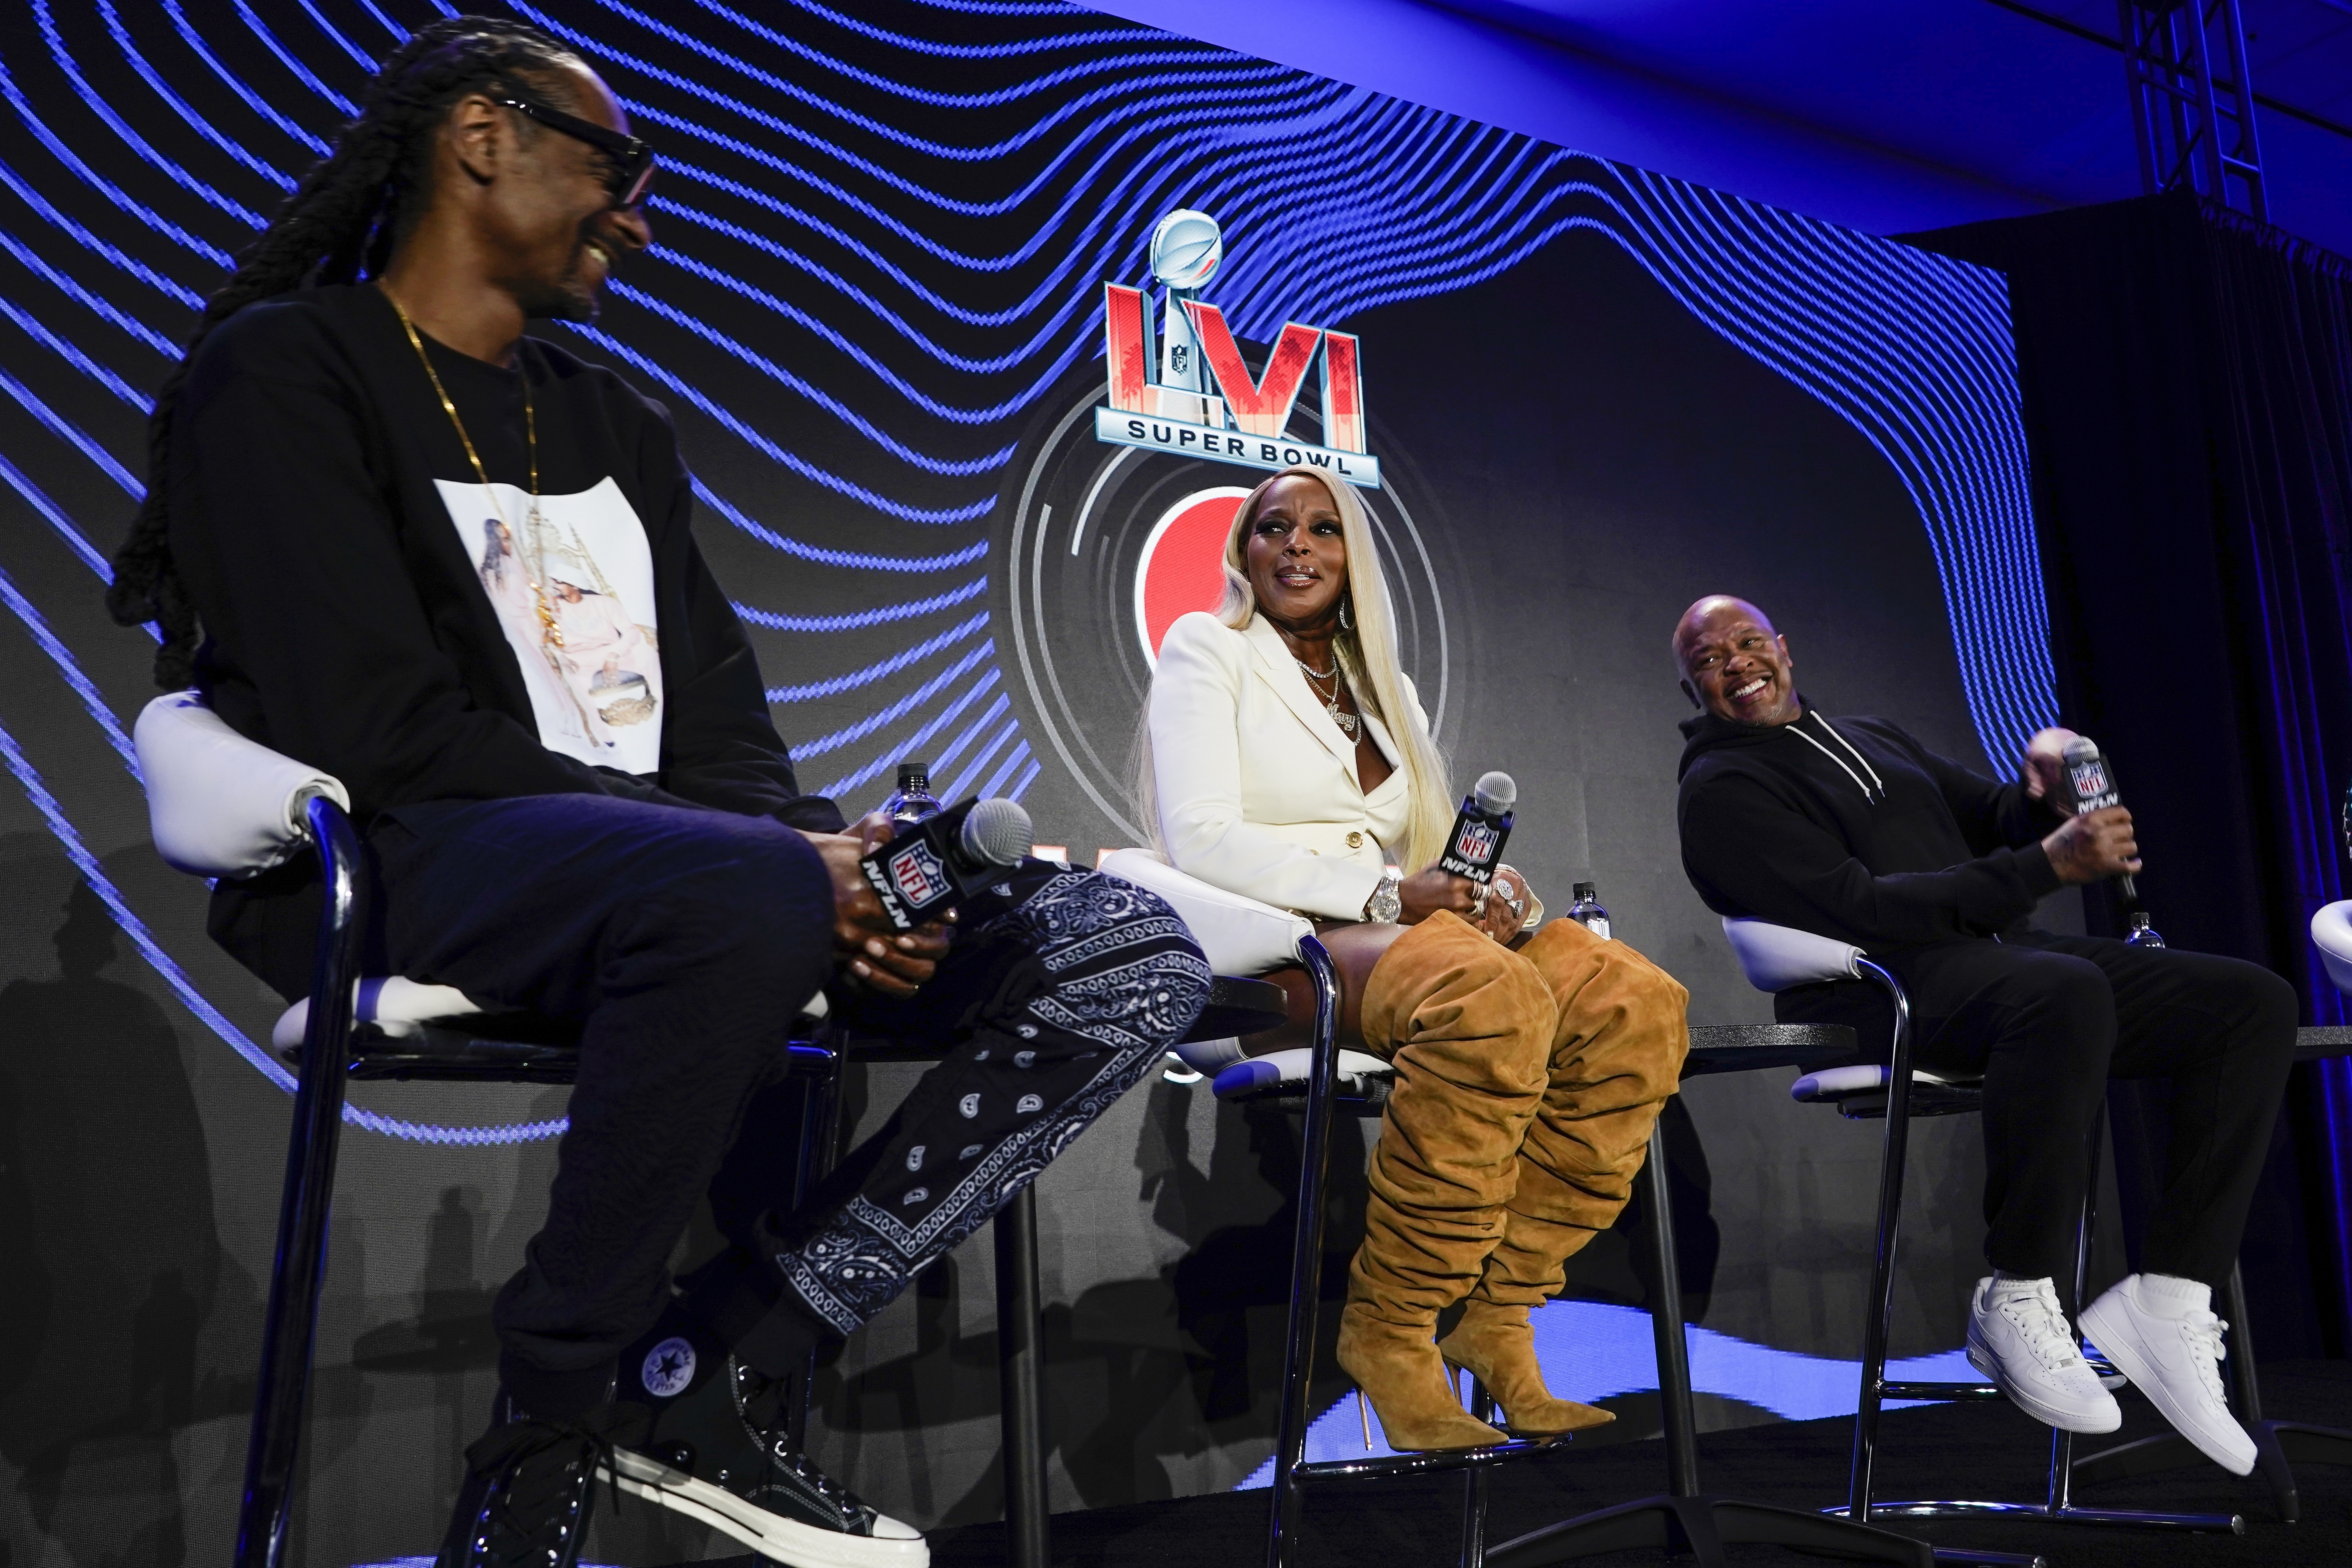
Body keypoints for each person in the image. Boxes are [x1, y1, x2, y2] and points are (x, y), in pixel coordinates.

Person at [106, 19, 1208, 1568]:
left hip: (687, 874)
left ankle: (718, 1363)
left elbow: (725, 734)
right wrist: (773, 863)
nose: (640, 210)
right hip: (419, 848)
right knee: (749, 883)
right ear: (479, 139)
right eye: (617, 167)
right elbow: (380, 724)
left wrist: (832, 859)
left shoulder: (614, 419)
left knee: (1122, 947)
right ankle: (546, 1421)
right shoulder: (288, 371)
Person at [1670, 595, 2297, 1475]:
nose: (1735, 662)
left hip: (1997, 961)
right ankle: (2016, 1288)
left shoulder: (1872, 733)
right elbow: (1863, 910)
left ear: (1784, 647)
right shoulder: (1721, 791)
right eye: (1708, 658)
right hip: (1879, 991)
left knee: (2252, 1003)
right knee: (2062, 992)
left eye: (1747, 642)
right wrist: (2045, 865)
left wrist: (2043, 783)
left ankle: (2170, 1293)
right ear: (1694, 687)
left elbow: (1997, 819)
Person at [1141, 466, 1690, 1451]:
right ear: (1244, 552)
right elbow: (1201, 837)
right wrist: (1397, 895)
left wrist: (1482, 889)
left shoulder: (1381, 682)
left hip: (1389, 934)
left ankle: (1501, 1316)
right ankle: (1391, 1331)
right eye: (1273, 529)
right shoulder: (1208, 650)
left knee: (1632, 1003)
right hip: (1275, 945)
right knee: (1491, 999)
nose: (1298, 546)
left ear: (1353, 553)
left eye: (1322, 528)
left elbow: (1419, 847)